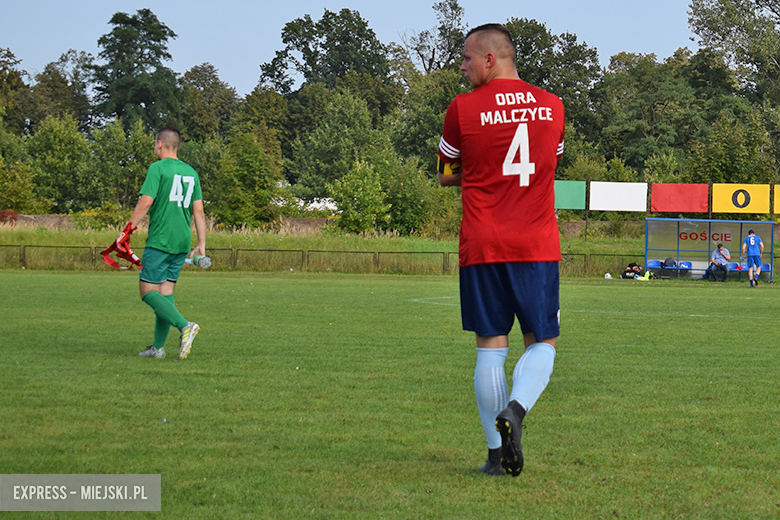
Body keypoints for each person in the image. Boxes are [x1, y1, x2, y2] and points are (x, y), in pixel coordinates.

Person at [437, 23, 564, 477]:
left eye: (467, 58)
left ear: (490, 59)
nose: (463, 66)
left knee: (491, 347)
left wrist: (480, 174)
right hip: (536, 241)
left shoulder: (463, 109)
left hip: (483, 241)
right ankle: (517, 409)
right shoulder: (553, 106)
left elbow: (445, 172)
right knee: (542, 340)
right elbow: (548, 162)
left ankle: (495, 455)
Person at [124, 126, 206, 359]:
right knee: (165, 292)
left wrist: (126, 231)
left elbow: (145, 202)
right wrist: (201, 243)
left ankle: (184, 326)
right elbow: (198, 212)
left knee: (147, 291)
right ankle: (157, 348)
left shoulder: (157, 168)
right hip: (182, 241)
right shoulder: (191, 172)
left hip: (161, 239)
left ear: (159, 144)